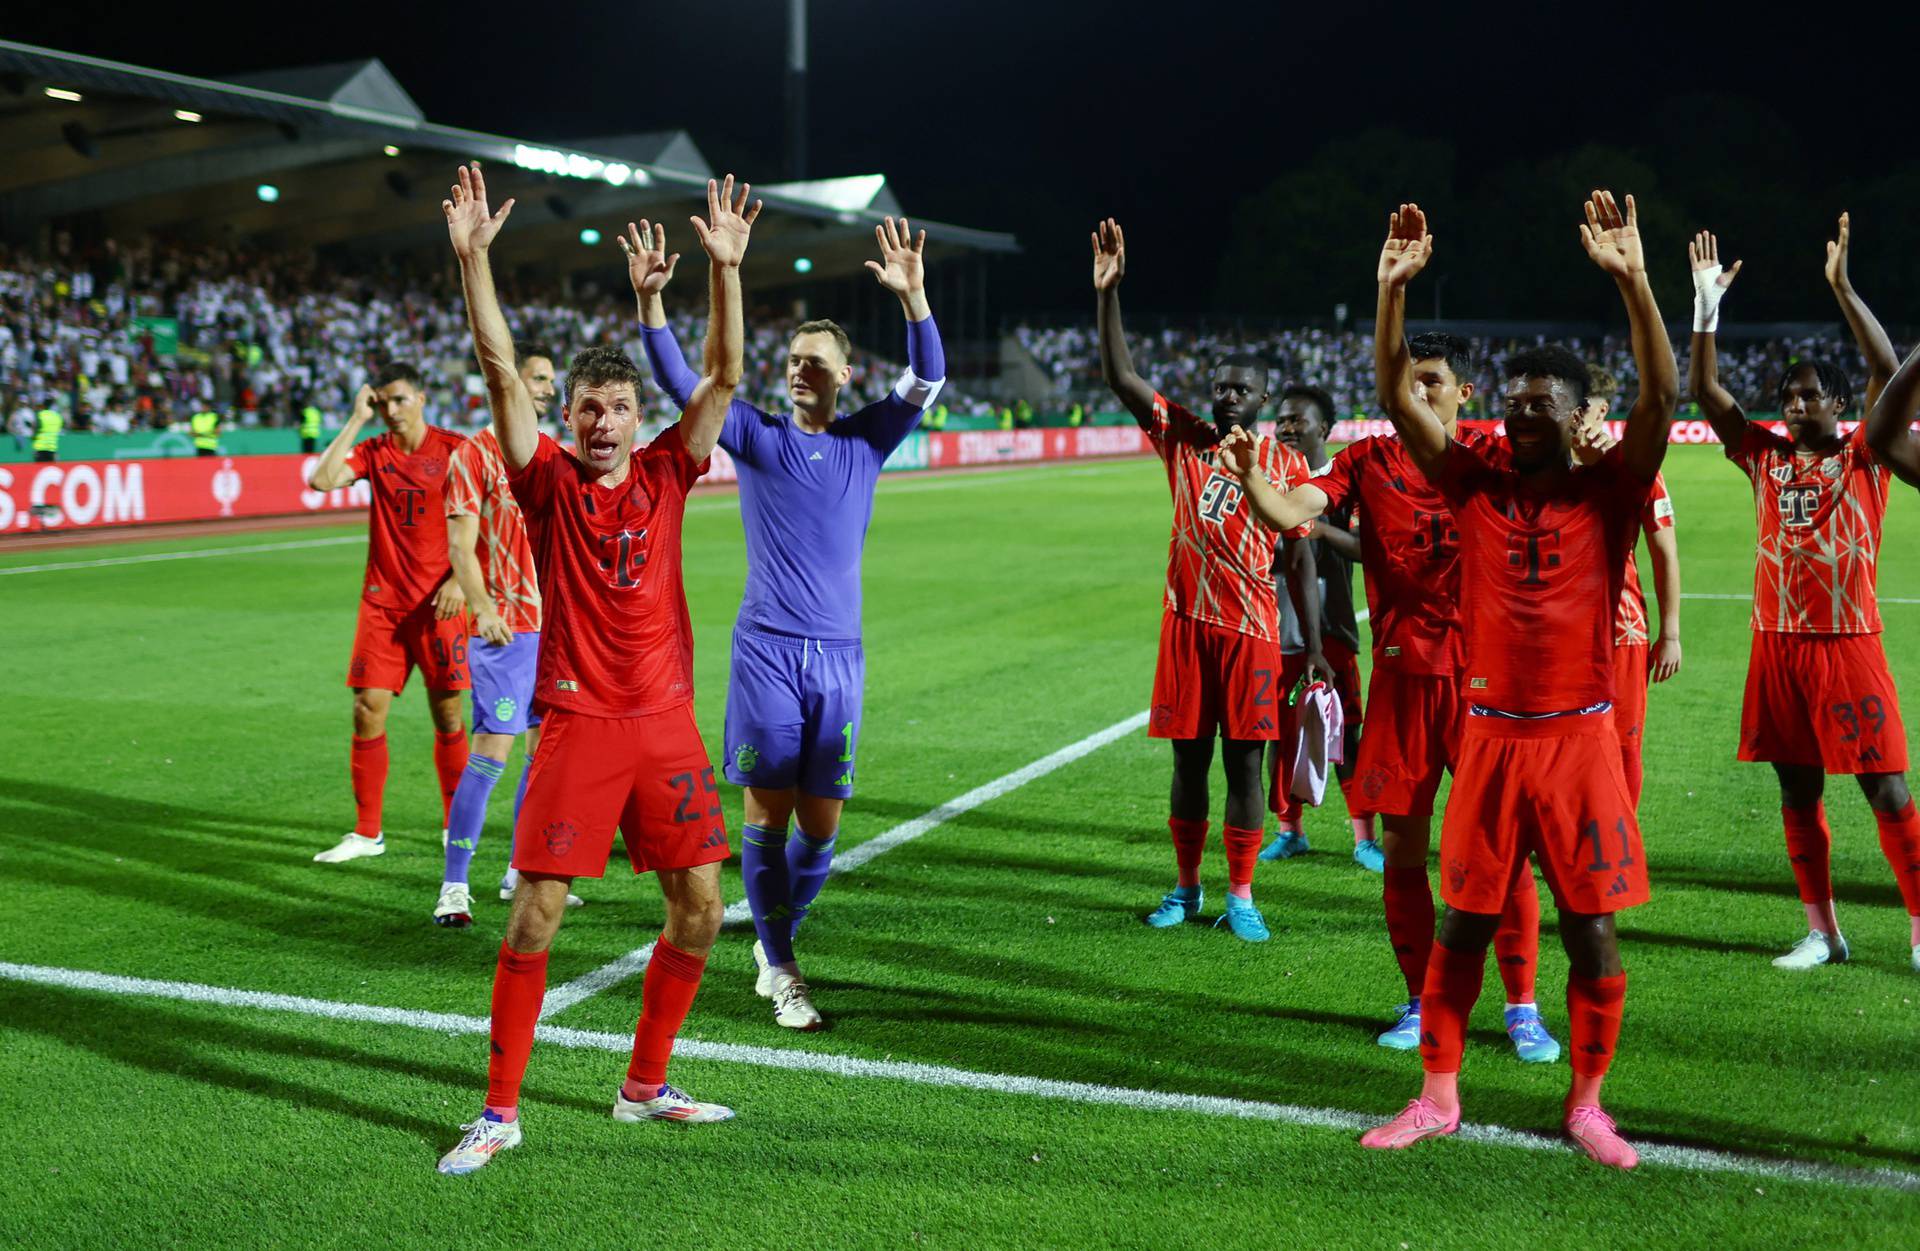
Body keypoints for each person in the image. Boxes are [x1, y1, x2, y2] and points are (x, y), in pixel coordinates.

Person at [435, 165, 750, 1175]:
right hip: (575, 722)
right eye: (587, 407)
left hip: (665, 723)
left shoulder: (668, 470)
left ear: (633, 415)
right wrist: (476, 261)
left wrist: (724, 273)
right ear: (565, 416)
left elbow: (725, 380)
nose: (604, 421)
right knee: (534, 916)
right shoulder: (544, 484)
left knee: (701, 907)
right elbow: (493, 364)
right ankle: (498, 1110)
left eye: (617, 406)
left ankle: (645, 1084)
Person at [1351, 192, 1676, 1169]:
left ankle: (1587, 1105)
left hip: (1579, 738)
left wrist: (1633, 280)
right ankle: (1437, 1098)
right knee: (1460, 930)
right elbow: (1400, 396)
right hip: (1489, 736)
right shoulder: (1472, 482)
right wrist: (1389, 296)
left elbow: (1663, 400)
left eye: (1548, 405)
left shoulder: (1611, 491)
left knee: (1594, 933)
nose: (1528, 415)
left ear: (1581, 420)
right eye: (1520, 402)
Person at [636, 213, 946, 1029]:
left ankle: (776, 934)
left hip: (841, 658)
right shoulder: (758, 435)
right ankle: (782, 966)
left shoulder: (868, 439)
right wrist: (654, 307)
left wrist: (915, 297)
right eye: (795, 360)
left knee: (821, 830)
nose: (802, 370)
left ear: (845, 374)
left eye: (818, 361)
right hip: (767, 651)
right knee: (766, 819)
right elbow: (685, 384)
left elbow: (930, 375)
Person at [1220, 330, 1556, 1060]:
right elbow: (1284, 513)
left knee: (1503, 850)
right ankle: (1419, 1000)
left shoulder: (1495, 459)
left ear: (1465, 394)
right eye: (1406, 380)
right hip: (1405, 682)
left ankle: (1523, 1006)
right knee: (1403, 851)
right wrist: (1251, 476)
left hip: (1488, 685)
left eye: (1431, 380)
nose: (1416, 391)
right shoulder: (1367, 461)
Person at [1692, 217, 1919, 972]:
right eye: (1788, 396)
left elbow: (1887, 368)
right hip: (1776, 644)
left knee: (1887, 790)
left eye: (1810, 395)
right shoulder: (1762, 457)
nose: (1795, 405)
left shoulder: (1866, 455)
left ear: (1838, 404)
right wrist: (1705, 311)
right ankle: (1823, 931)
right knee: (1797, 791)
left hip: (1849, 644)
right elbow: (1705, 390)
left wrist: (1844, 289)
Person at [1092, 217, 1315, 944]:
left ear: (1262, 399)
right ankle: (1187, 888)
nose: (1227, 396)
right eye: (1220, 386)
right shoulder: (1183, 440)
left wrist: (1308, 641)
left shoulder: (1284, 466)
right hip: (1185, 624)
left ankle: (1242, 894)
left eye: (1241, 389)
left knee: (1246, 766)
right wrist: (1109, 295)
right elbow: (1123, 377)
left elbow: (1299, 554)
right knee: (1188, 763)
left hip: (1250, 631)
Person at [306, 366, 471, 865]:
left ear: (421, 398)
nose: (390, 411)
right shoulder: (375, 451)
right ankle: (366, 832)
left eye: (398, 400)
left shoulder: (455, 450)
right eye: (382, 404)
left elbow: (490, 517)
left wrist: (461, 580)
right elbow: (321, 479)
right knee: (366, 710)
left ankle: (454, 824)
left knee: (447, 715)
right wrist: (356, 421)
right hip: (383, 604)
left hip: (439, 605)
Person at [435, 343, 572, 928]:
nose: (545, 387)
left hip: (555, 628)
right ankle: (454, 886)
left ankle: (519, 866)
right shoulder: (473, 455)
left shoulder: (548, 455)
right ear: (506, 381)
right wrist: (483, 606)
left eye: (548, 380)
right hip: (506, 626)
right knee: (494, 749)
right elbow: (460, 547)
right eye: (537, 378)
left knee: (545, 755)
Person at [1260, 383, 1370, 864]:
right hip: (1274, 628)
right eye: (1281, 419)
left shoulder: (1346, 481)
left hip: (1332, 629)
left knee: (1346, 732)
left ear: (1323, 428)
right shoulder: (1263, 479)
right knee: (1277, 733)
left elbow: (1369, 549)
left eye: (1297, 420)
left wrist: (1314, 524)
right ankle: (1290, 829)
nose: (1286, 427)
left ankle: (1364, 837)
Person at [1572, 365, 1682, 805]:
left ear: (1601, 409)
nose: (1574, 417)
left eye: (1582, 407)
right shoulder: (1543, 467)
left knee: (1623, 741)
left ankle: (1620, 839)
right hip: (1559, 630)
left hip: (1621, 629)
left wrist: (1670, 633)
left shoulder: (1635, 469)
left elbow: (1664, 552)